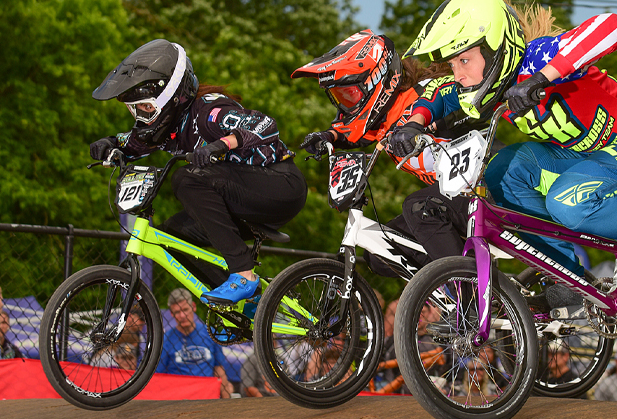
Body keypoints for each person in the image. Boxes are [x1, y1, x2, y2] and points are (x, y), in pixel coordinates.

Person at [398, 0, 617, 313]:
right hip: (594, 160)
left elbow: (611, 26)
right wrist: (412, 125)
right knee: (503, 171)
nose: (458, 73)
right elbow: (439, 92)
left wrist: (542, 77)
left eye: (464, 60)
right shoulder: (487, 88)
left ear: (493, 50)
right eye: (453, 64)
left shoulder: (538, 58)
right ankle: (567, 275)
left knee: (566, 199)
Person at [89, 39, 307, 307]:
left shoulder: (209, 112)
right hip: (239, 196)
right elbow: (137, 143)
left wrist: (221, 144)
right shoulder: (171, 124)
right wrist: (111, 143)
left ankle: (243, 274)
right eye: (134, 110)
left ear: (169, 98)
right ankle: (244, 305)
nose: (140, 117)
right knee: (170, 238)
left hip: (279, 185)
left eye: (145, 108)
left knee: (186, 179)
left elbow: (266, 125)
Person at [291, 30, 488, 277]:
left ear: (377, 80)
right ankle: (446, 292)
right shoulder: (382, 120)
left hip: (482, 184)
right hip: (451, 197)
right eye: (340, 97)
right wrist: (328, 137)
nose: (346, 105)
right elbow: (352, 133)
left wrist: (438, 122)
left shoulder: (423, 93)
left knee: (417, 207)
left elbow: (464, 100)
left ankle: (470, 289)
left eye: (350, 94)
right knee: (379, 252)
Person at [156, 288, 234, 398]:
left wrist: (227, 401)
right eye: (177, 312)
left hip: (207, 396)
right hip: (177, 398)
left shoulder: (209, 333)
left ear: (193, 307)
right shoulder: (166, 340)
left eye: (185, 310)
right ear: (171, 314)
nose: (182, 316)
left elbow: (219, 370)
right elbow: (158, 376)